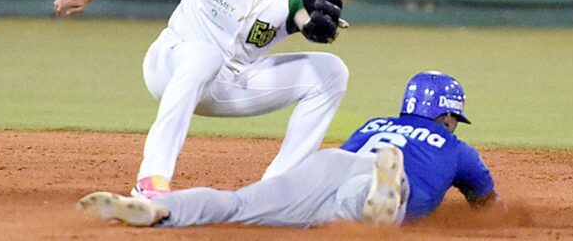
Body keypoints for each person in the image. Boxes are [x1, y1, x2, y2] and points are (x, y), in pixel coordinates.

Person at [54, 0, 349, 198]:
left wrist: (317, 27)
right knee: (205, 56)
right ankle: (151, 180)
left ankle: (277, 189)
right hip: (170, 65)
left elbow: (306, 22)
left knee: (331, 71)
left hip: (230, 86)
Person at [76, 71, 505, 228]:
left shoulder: (376, 123)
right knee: (361, 205)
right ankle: (381, 199)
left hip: (334, 162)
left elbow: (343, 159)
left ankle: (160, 210)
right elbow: (487, 205)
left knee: (238, 204)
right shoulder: (456, 147)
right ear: (447, 115)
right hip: (374, 179)